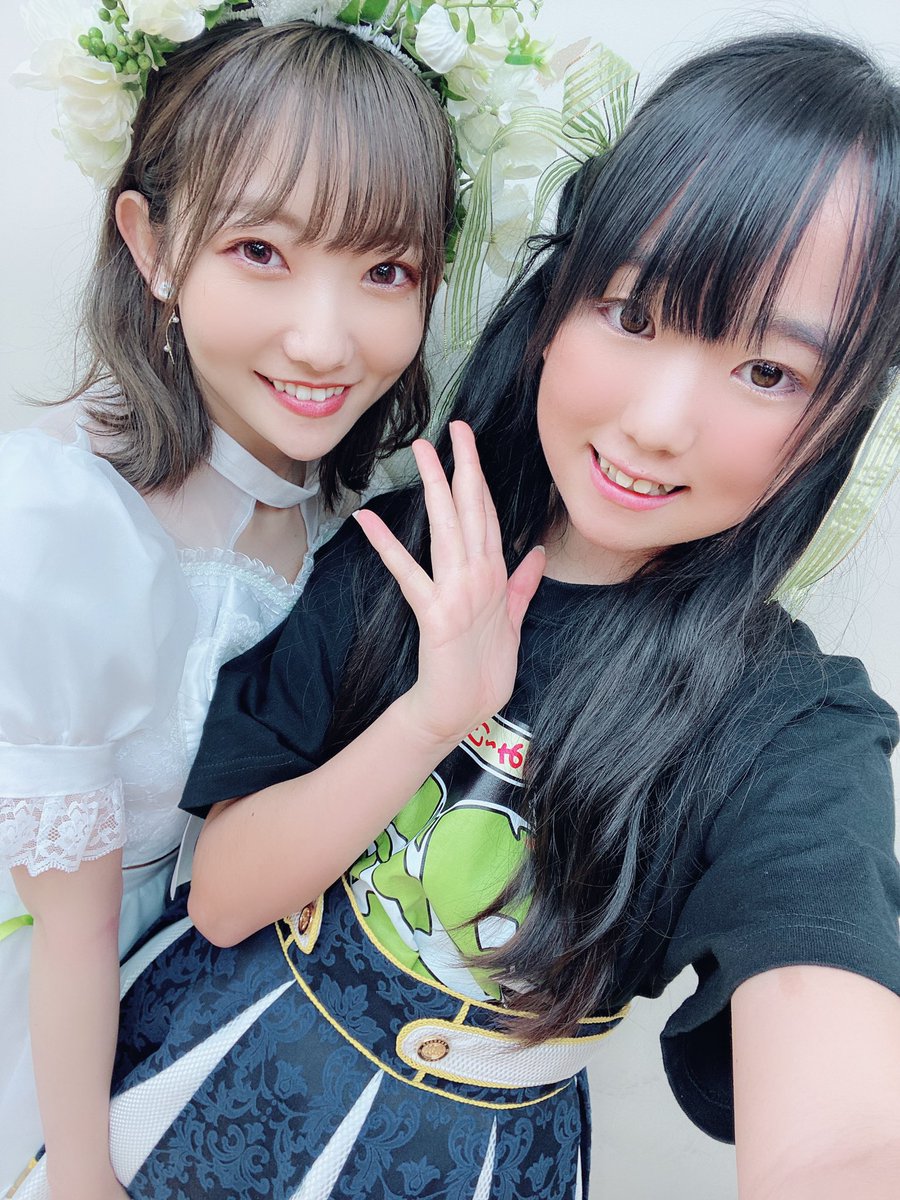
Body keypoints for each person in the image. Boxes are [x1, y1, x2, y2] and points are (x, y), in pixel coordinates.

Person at [20, 27, 900, 1200]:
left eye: (769, 372)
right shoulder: (396, 550)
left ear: (841, 418)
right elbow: (222, 896)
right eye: (635, 316)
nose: (657, 424)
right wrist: (432, 715)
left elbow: (841, 1104)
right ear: (557, 301)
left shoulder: (793, 730)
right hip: (190, 1095)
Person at [0, 3, 475, 1193]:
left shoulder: (343, 524)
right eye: (262, 251)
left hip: (199, 1025)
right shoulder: (64, 517)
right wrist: (81, 1178)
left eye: (384, 270)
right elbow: (69, 927)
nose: (323, 340)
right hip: (49, 1028)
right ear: (154, 245)